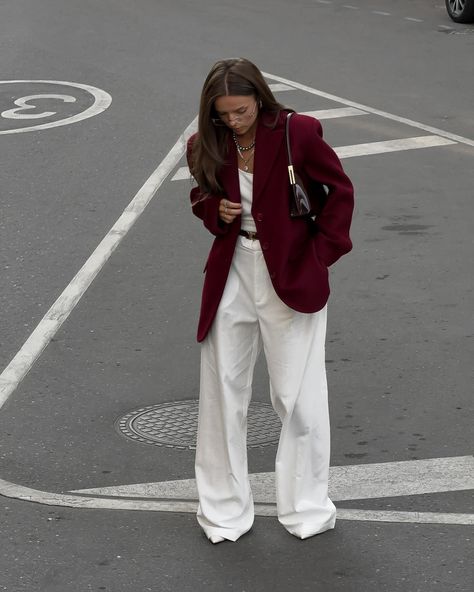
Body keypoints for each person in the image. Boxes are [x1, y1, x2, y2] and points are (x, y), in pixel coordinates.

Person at [187, 58, 354, 544]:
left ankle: (306, 507)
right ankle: (222, 513)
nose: (233, 121)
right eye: (223, 114)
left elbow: (339, 191)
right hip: (233, 269)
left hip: (291, 272)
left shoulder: (296, 132)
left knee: (297, 398)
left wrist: (322, 254)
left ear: (259, 97)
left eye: (239, 111)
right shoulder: (206, 141)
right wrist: (214, 209)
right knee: (222, 393)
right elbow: (201, 194)